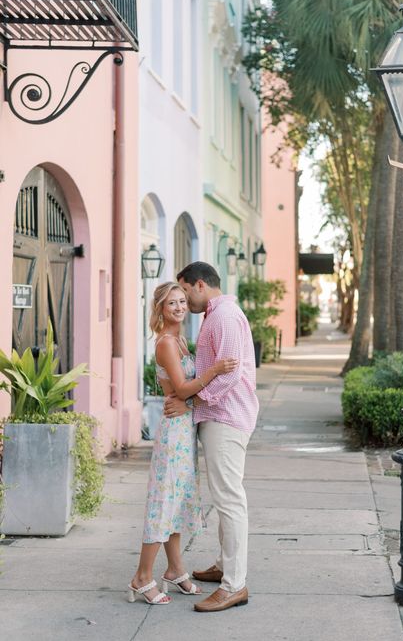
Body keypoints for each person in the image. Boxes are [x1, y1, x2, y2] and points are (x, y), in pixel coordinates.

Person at [128, 281, 238, 605]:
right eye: (171, 303)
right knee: (163, 504)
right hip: (173, 434)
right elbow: (182, 387)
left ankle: (175, 569)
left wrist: (185, 399)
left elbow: (184, 393)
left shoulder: (182, 340)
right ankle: (141, 577)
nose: (178, 307)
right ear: (160, 309)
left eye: (180, 301)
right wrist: (216, 369)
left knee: (175, 505)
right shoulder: (165, 343)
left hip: (184, 430)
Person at [164, 262, 259, 613]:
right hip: (219, 417)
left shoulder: (224, 317)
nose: (184, 301)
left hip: (226, 418)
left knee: (230, 499)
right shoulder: (216, 316)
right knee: (224, 498)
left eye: (185, 292)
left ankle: (235, 585)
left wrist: (192, 400)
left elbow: (230, 376)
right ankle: (225, 566)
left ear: (200, 285)